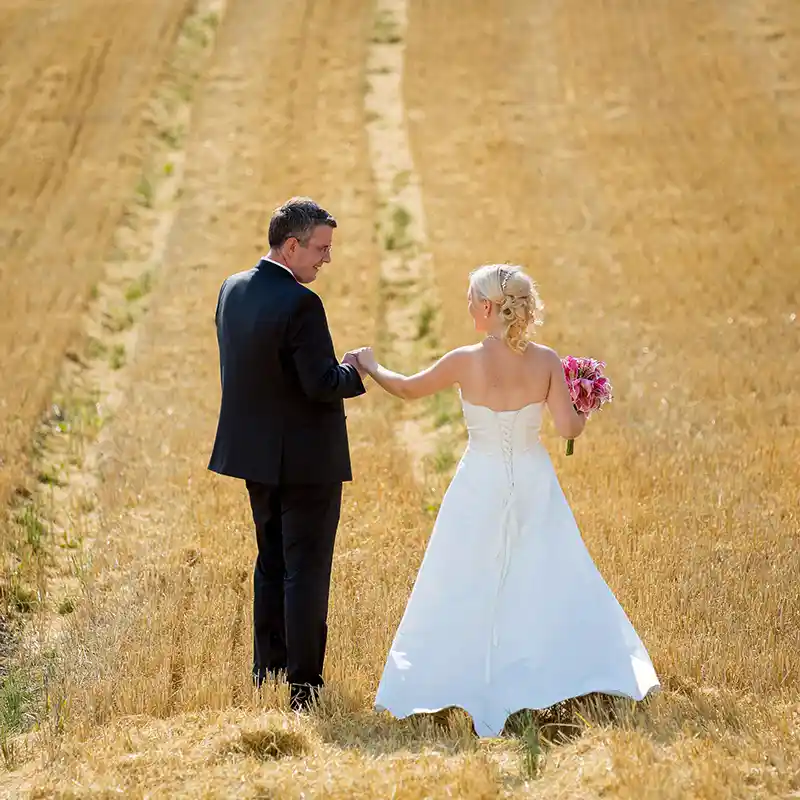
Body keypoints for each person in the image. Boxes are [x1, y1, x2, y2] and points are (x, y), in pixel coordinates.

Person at [352, 263, 660, 737]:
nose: (468, 307)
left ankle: (452, 679)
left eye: (472, 299)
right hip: (535, 481)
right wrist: (584, 400)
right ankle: (562, 674)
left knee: (461, 579)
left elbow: (408, 389)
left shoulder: (464, 360)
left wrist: (370, 365)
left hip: (480, 481)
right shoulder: (546, 361)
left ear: (489, 307)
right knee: (548, 573)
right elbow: (569, 429)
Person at [208, 197, 366, 710]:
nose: (326, 259)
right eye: (320, 248)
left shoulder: (232, 289)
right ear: (292, 245)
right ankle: (303, 687)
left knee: (270, 563)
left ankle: (267, 670)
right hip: (306, 462)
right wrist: (355, 371)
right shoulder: (301, 303)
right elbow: (321, 383)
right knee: (307, 570)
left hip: (256, 457)